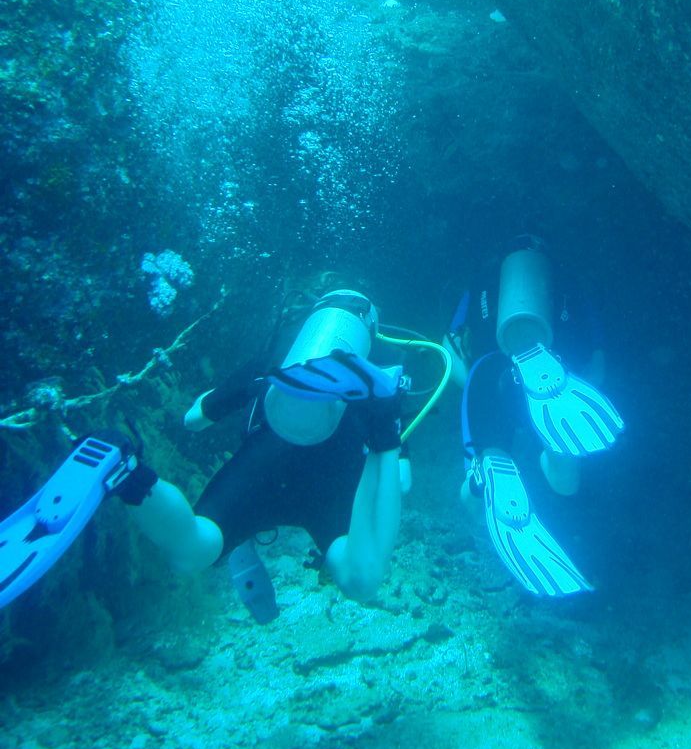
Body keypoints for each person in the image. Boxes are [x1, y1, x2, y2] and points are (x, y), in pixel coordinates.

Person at [122, 289, 407, 621]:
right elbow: (401, 482)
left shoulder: (273, 363)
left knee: (191, 552)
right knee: (362, 581)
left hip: (258, 476)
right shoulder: (378, 388)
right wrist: (387, 438)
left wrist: (234, 390)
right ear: (370, 333)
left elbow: (193, 420)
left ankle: (128, 474)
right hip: (331, 494)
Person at [443, 237, 625, 597]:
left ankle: (485, 472)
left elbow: (448, 350)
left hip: (488, 372)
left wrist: (474, 384)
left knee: (478, 496)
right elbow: (598, 363)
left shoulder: (481, 279)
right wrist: (578, 401)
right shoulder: (564, 278)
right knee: (566, 482)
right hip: (554, 371)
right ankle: (557, 448)